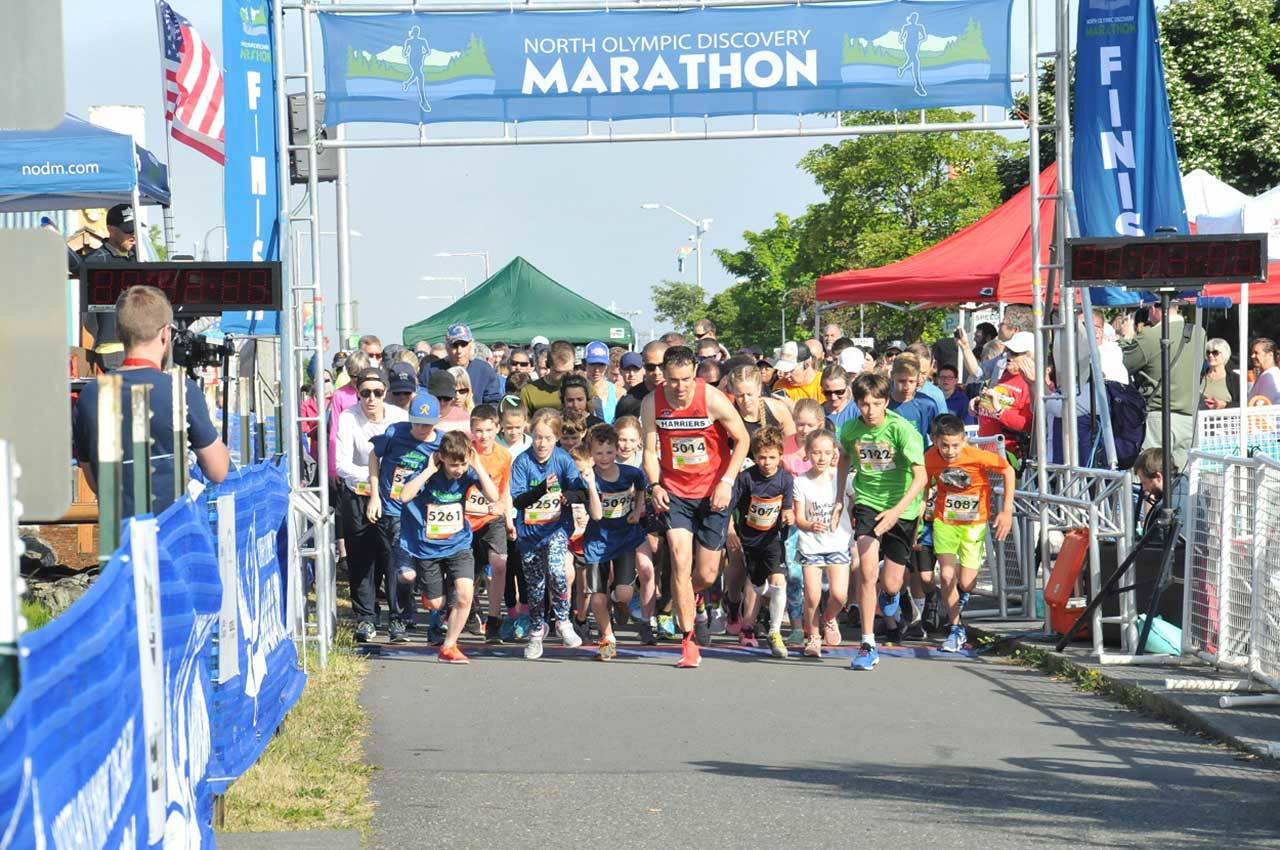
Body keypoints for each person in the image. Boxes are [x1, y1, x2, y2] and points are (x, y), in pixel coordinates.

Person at [72, 285, 229, 518]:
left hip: (120, 541)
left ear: (118, 330)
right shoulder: (182, 391)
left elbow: (94, 482)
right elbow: (218, 471)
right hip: (173, 538)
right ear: (166, 333)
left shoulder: (91, 394)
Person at [642, 345, 751, 668]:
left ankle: (691, 597)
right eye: (673, 380)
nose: (680, 387)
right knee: (677, 556)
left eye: (686, 379)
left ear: (695, 373)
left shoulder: (712, 399)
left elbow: (743, 440)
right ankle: (688, 641)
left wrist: (727, 482)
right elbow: (650, 451)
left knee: (704, 573)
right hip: (675, 491)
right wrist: (655, 484)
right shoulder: (652, 403)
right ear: (664, 376)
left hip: (712, 492)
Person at [837, 372, 927, 671]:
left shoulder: (902, 430)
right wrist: (840, 499)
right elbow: (844, 461)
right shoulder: (850, 430)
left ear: (886, 402)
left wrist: (896, 512)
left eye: (876, 404)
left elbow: (921, 477)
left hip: (903, 509)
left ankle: (892, 597)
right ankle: (867, 642)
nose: (870, 410)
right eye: (864, 404)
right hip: (867, 503)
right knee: (865, 569)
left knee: (891, 582)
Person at [397, 430, 501, 664]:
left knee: (465, 594)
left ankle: (449, 645)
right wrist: (428, 471)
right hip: (428, 547)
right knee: (437, 604)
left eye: (462, 464)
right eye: (454, 465)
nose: (458, 470)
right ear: (442, 458)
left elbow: (493, 496)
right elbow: (404, 496)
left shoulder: (468, 472)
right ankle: (431, 595)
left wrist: (477, 465)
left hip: (458, 544)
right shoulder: (429, 472)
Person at [924, 415, 1013, 653]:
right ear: (935, 441)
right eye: (944, 445)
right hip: (945, 522)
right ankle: (955, 628)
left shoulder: (976, 456)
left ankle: (958, 600)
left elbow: (1008, 471)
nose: (950, 451)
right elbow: (924, 484)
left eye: (955, 445)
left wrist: (1006, 510)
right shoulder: (930, 458)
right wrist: (921, 516)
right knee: (945, 576)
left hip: (974, 523)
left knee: (967, 583)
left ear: (964, 440)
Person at [511, 408, 590, 660]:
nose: (541, 443)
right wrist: (542, 491)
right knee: (534, 588)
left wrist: (568, 496)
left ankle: (563, 621)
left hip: (555, 530)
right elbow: (519, 502)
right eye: (537, 437)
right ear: (530, 434)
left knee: (557, 571)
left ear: (556, 438)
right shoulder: (522, 462)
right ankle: (536, 630)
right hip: (530, 534)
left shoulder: (563, 460)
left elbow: (581, 492)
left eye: (547, 438)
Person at [336, 367, 408, 641]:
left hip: (392, 498)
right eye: (365, 393)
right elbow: (342, 464)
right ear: (357, 394)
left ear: (385, 393)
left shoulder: (400, 419)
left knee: (393, 558)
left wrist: (384, 483)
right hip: (358, 495)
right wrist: (374, 477)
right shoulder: (347, 418)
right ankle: (366, 618)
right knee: (361, 559)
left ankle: (398, 619)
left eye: (377, 393)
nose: (371, 399)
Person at [367, 388, 442, 643]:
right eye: (418, 424)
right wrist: (375, 495)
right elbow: (373, 456)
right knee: (401, 570)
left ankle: (425, 616)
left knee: (420, 569)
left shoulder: (440, 443)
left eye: (428, 424)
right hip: (394, 510)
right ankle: (397, 620)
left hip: (423, 515)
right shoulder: (394, 433)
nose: (423, 429)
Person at [580, 424, 651, 660]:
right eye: (598, 453)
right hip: (597, 544)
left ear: (616, 450)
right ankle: (608, 639)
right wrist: (591, 485)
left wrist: (638, 509)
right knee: (597, 598)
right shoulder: (589, 477)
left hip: (623, 539)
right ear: (591, 453)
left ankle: (614, 599)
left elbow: (642, 485)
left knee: (623, 594)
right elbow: (598, 515)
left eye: (609, 452)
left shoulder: (630, 473)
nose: (604, 458)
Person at [730, 426, 794, 658]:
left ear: (780, 456)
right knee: (757, 585)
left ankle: (775, 632)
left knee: (778, 580)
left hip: (772, 539)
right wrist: (730, 532)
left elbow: (787, 508)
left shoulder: (785, 479)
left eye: (772, 457)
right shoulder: (746, 479)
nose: (766, 462)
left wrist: (788, 515)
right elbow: (730, 507)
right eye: (761, 457)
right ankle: (756, 605)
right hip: (749, 539)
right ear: (754, 457)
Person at [1118, 302, 1205, 469]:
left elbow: (1126, 363)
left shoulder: (1151, 336)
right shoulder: (1199, 333)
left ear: (1153, 309)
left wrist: (1127, 338)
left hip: (1159, 417)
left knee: (1151, 475)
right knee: (1184, 476)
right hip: (1190, 419)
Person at [793, 429, 851, 658]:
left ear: (835, 454)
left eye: (827, 452)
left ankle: (829, 617)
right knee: (813, 595)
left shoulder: (844, 478)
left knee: (839, 595)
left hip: (838, 542)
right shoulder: (801, 482)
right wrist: (809, 525)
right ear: (807, 454)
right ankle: (814, 637)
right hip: (811, 545)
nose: (821, 457)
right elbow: (799, 518)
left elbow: (858, 502)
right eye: (816, 452)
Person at [464, 404, 514, 644]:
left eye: (488, 430)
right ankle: (470, 610)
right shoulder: (464, 452)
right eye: (478, 430)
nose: (483, 436)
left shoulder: (504, 455)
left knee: (500, 565)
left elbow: (506, 490)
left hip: (492, 519)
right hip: (466, 520)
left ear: (498, 428)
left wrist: (508, 516)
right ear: (471, 430)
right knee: (467, 575)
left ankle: (494, 620)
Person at [81, 203, 138, 370]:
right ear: (111, 230)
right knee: (116, 395)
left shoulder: (139, 258)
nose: (133, 235)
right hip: (112, 349)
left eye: (135, 229)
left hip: (138, 346)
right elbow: (88, 315)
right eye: (128, 230)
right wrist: (105, 336)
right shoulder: (96, 261)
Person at [974, 331, 1035, 461]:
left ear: (1030, 356)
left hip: (1008, 456)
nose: (1008, 355)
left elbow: (1029, 425)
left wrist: (999, 410)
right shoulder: (1006, 375)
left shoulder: (1031, 384)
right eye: (1008, 350)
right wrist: (977, 404)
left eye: (1015, 353)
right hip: (987, 451)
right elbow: (995, 404)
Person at [418, 324, 504, 405]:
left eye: (463, 344)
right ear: (447, 347)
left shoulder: (485, 371)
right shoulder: (432, 370)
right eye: (454, 345)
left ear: (471, 345)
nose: (459, 351)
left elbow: (493, 403)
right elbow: (422, 400)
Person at [888, 354, 940, 444]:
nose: (906, 387)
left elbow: (938, 438)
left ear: (918, 377)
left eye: (911, 381)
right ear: (892, 376)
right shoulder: (881, 403)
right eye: (901, 381)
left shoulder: (927, 405)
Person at [614, 340, 667, 420]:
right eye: (651, 367)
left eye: (662, 366)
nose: (657, 372)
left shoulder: (681, 395)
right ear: (644, 367)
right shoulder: (629, 402)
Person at [520, 339, 575, 413]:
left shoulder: (584, 386)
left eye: (569, 371)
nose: (565, 376)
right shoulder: (528, 392)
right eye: (559, 372)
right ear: (548, 365)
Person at [581, 341, 619, 423]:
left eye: (601, 364)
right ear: (584, 364)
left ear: (606, 366)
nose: (596, 370)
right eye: (592, 364)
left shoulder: (617, 391)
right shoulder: (578, 390)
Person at [1201, 338, 1238, 410]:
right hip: (1199, 419)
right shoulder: (1199, 376)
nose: (1210, 355)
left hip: (1224, 419)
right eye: (1208, 352)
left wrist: (1225, 405)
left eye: (1215, 352)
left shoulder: (1235, 379)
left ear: (1224, 355)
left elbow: (1244, 404)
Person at [821, 364, 859, 432]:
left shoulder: (857, 410)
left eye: (839, 392)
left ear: (847, 387)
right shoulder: (817, 412)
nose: (833, 397)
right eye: (828, 393)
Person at [1248, 337, 1280, 405]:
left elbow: (1275, 404)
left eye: (1256, 353)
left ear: (1270, 355)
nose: (1252, 356)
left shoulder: (1270, 376)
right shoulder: (1266, 375)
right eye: (1252, 353)